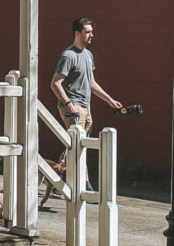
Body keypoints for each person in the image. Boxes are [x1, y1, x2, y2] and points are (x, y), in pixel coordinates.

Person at [50, 17, 121, 190]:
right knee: (79, 146)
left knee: (74, 145)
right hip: (73, 108)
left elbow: (91, 82)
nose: (91, 35)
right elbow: (55, 83)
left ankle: (55, 176)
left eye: (91, 32)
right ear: (77, 33)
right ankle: (85, 184)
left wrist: (109, 100)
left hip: (85, 108)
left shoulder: (88, 55)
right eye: (87, 32)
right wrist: (69, 105)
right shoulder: (69, 56)